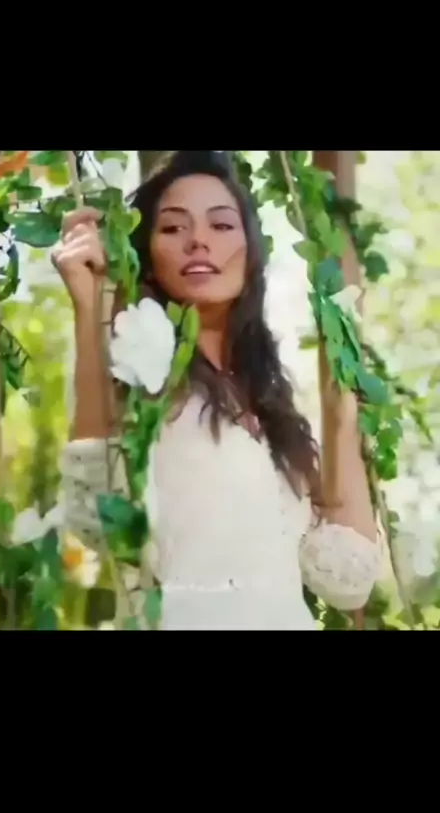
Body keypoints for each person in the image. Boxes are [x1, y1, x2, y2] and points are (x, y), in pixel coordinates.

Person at [54, 150, 383, 630]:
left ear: (251, 254)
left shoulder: (271, 404)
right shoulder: (137, 375)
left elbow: (348, 581)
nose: (198, 240)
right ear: (148, 260)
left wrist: (341, 418)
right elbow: (94, 517)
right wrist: (89, 312)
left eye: (222, 225)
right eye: (173, 227)